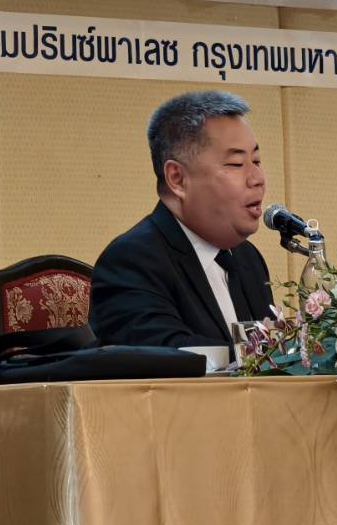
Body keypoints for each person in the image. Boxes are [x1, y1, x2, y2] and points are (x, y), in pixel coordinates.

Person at [89, 91, 276, 347]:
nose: (257, 178)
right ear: (177, 178)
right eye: (236, 164)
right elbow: (172, 358)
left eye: (256, 160)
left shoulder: (247, 258)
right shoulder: (130, 262)